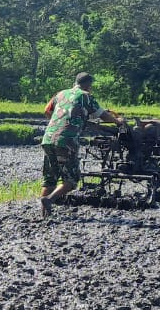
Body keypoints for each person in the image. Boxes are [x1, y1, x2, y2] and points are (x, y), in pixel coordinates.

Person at [38, 72, 124, 218]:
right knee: (71, 180)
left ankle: (44, 215)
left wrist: (65, 119)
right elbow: (103, 115)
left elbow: (47, 111)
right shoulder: (86, 96)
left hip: (48, 138)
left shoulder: (61, 94)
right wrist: (118, 121)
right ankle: (50, 200)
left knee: (50, 178)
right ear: (89, 86)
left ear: (75, 82)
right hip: (67, 140)